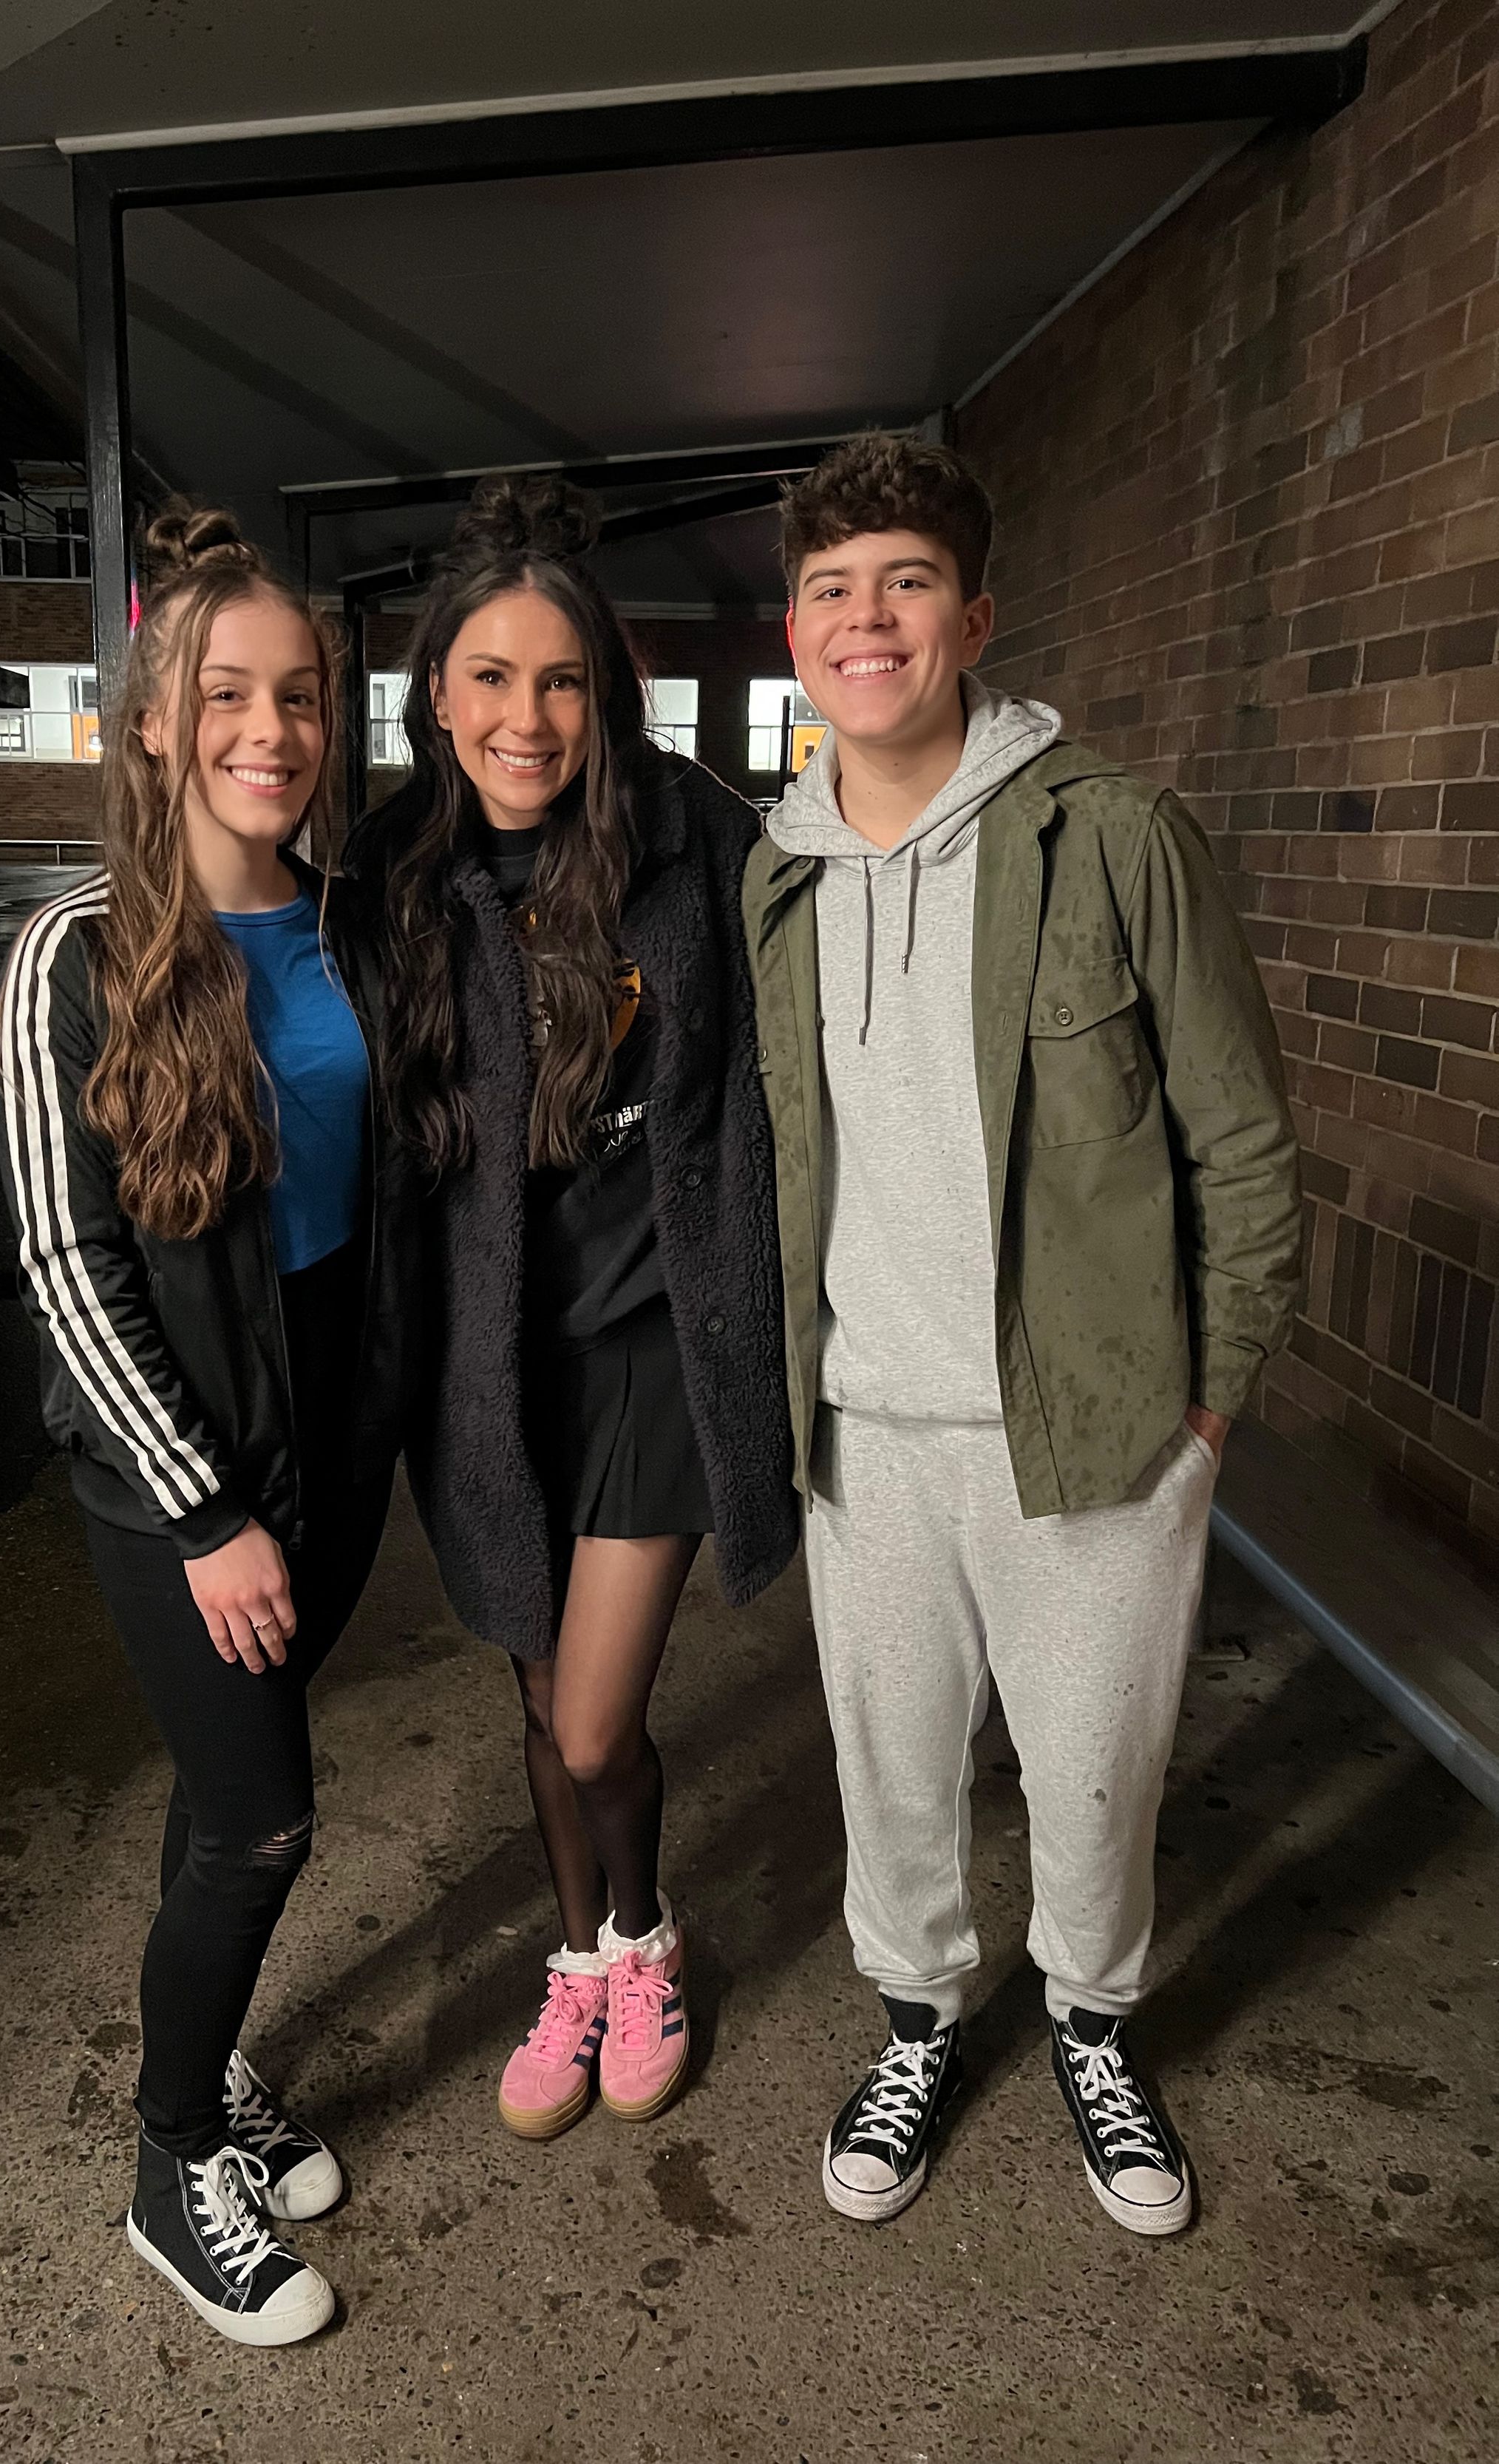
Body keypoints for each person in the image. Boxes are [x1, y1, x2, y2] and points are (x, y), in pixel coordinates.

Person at [744, 432, 1302, 2238]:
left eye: (904, 581)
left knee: (1092, 1775)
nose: (866, 618)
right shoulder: (776, 877)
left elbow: (1240, 1142)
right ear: (792, 635)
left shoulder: (1111, 834)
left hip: (1091, 1430)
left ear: (972, 618)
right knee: (891, 1771)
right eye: (831, 590)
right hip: (862, 1432)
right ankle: (916, 2020)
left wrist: (1205, 1409)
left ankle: (1091, 2022)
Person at [0, 506, 414, 2345]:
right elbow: (65, 1263)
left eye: (299, 695)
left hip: (330, 1431)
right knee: (260, 1822)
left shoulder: (345, 924)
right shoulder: (74, 952)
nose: (270, 729)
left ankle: (213, 2060)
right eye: (228, 693)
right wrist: (202, 1507)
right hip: (179, 1465)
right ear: (155, 720)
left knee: (217, 1788)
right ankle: (172, 2162)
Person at [352, 478, 794, 2141]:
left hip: (661, 1338)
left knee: (597, 1717)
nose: (525, 718)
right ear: (437, 693)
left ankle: (647, 1932)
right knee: (536, 1700)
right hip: (494, 1354)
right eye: (491, 677)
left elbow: (796, 1055)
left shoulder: (696, 840)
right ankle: (581, 1954)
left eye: (560, 680)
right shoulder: (394, 870)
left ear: (605, 692)